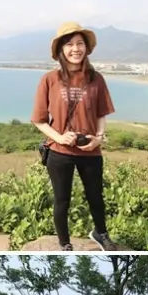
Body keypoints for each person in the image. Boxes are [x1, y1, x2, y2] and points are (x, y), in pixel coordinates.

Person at [30, 21, 118, 251]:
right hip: (60, 152)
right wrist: (59, 138)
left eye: (80, 43)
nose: (75, 49)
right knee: (62, 201)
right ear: (61, 50)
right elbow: (39, 120)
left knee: (96, 197)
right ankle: (64, 243)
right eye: (69, 44)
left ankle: (101, 233)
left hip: (90, 150)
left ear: (86, 48)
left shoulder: (96, 78)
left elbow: (101, 114)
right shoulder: (50, 79)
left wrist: (98, 137)